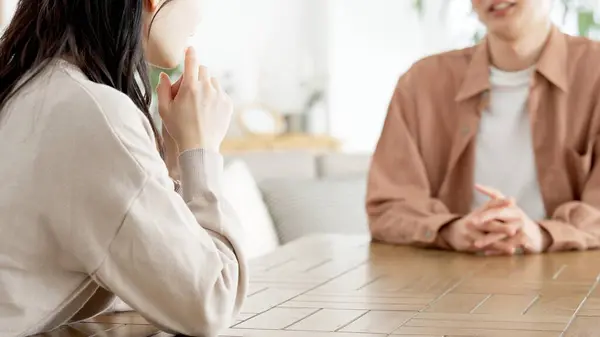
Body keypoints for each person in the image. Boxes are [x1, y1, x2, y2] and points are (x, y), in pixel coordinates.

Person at [0, 1, 247, 336]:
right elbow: (210, 304)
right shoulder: (94, 113)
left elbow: (153, 275)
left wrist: (176, 162)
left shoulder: (35, 89)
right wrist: (202, 150)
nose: (200, 13)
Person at [367, 0, 600, 256]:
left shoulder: (594, 73)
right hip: (451, 277)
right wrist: (451, 230)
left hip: (572, 278)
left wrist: (543, 234)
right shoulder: (421, 83)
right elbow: (388, 207)